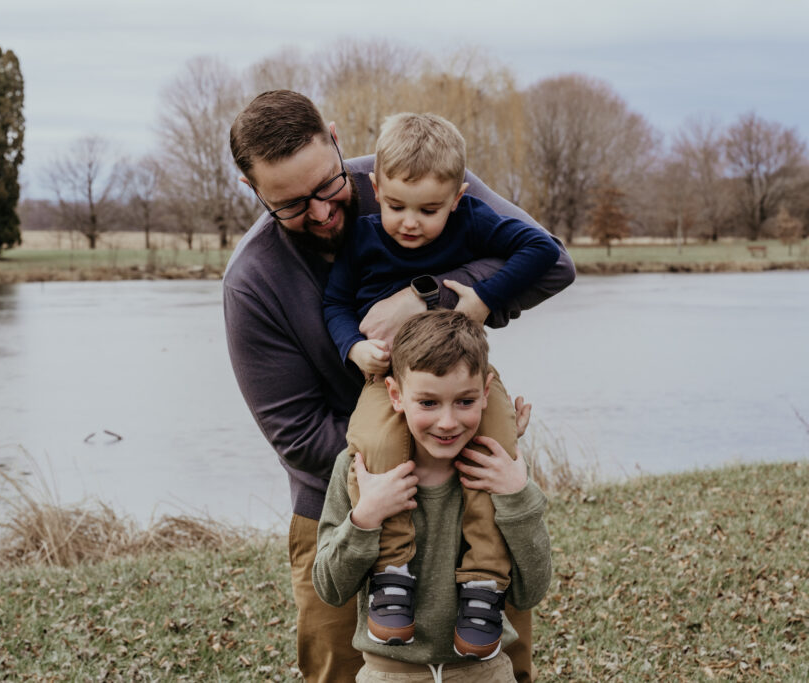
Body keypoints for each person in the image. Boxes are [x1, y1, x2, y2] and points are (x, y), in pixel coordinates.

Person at [225, 89, 575, 682]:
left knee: (499, 664)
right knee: (340, 669)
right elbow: (301, 438)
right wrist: (421, 452)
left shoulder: (415, 174)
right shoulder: (252, 284)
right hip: (351, 501)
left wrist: (423, 298)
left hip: (474, 483)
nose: (319, 213)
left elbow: (552, 263)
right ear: (252, 191)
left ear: (336, 141)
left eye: (327, 186)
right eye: (288, 204)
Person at [322, 112, 559, 658]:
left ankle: (483, 580)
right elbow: (335, 303)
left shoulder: (473, 221)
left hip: (465, 370)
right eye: (396, 206)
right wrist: (353, 348)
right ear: (375, 190)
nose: (410, 223)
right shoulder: (360, 239)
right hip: (388, 378)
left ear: (457, 197)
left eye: (429, 210)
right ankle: (393, 572)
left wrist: (482, 299)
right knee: (378, 445)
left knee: (496, 445)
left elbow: (543, 251)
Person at [312, 310, 551, 682]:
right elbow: (330, 588)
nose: (447, 422)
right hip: (389, 675)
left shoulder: (503, 473)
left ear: (486, 393)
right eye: (428, 403)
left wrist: (517, 497)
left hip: (485, 673)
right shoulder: (359, 470)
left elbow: (529, 592)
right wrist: (365, 518)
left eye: (465, 401)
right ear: (395, 395)